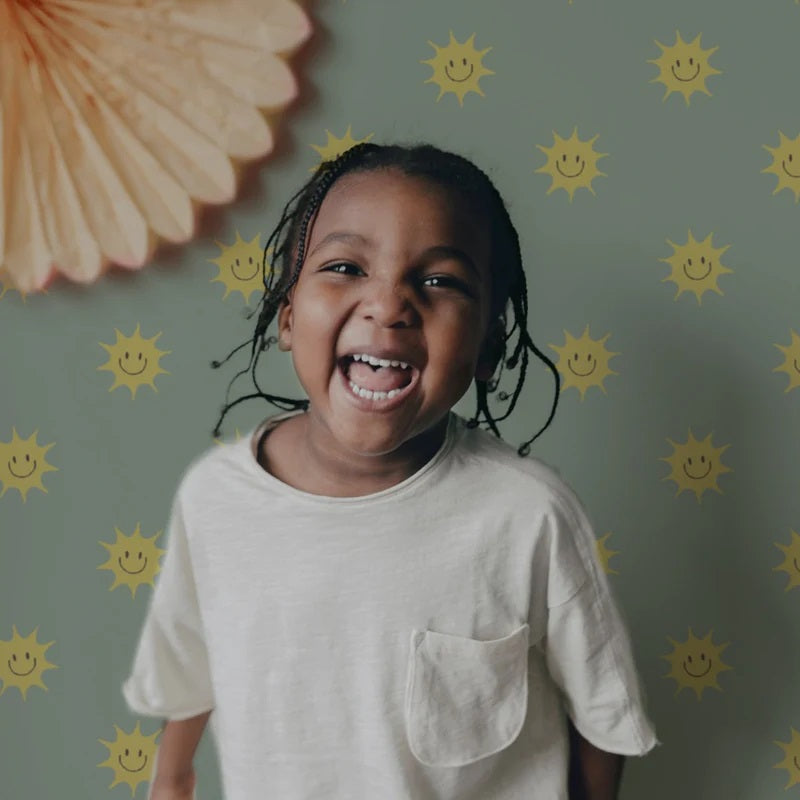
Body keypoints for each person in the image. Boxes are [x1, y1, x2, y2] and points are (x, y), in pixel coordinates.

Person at [122, 142, 658, 800]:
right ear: (287, 316)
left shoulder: (527, 516)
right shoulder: (214, 500)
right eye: (346, 266)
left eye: (439, 281)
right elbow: (186, 659)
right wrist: (172, 777)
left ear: (489, 345)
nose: (389, 304)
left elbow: (605, 715)